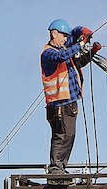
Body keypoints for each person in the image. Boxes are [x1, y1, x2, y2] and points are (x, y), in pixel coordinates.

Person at [41, 19, 102, 178]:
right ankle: (56, 169)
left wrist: (91, 51)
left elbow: (78, 62)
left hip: (68, 103)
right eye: (63, 36)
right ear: (54, 33)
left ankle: (60, 168)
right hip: (59, 103)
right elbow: (62, 56)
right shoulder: (49, 53)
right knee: (62, 136)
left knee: (69, 136)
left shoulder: (64, 51)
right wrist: (80, 44)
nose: (66, 39)